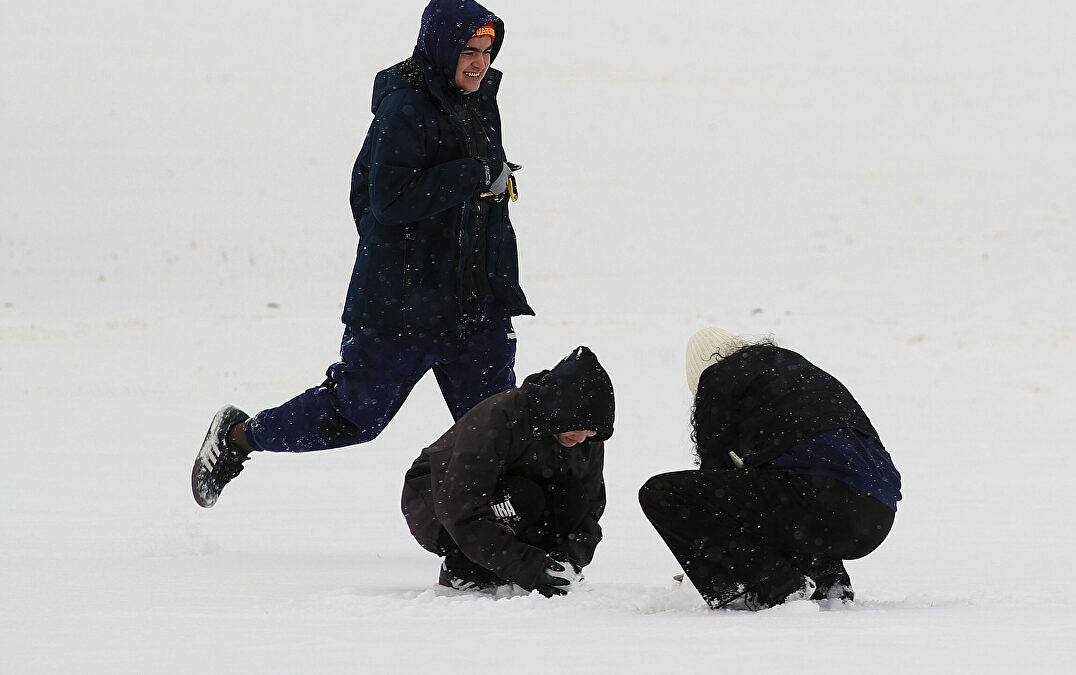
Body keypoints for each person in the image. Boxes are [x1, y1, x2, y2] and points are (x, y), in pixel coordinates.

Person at [192, 0, 533, 508]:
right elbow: (384, 199)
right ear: (443, 48)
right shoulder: (405, 107)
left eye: (487, 51)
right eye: (469, 51)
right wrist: (469, 181)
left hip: (476, 304)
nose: (479, 63)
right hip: (406, 307)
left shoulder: (480, 100)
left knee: (497, 434)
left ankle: (494, 537)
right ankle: (238, 437)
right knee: (353, 417)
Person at [639, 327, 902, 610]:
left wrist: (715, 562)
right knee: (783, 485)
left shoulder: (719, 377)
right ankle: (829, 584)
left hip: (821, 500)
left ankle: (778, 585)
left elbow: (717, 477)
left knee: (663, 494)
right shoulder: (793, 370)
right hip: (876, 513)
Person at [401, 346, 614, 596]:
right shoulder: (499, 417)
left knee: (570, 498)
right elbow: (461, 506)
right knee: (522, 497)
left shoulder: (584, 439)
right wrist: (527, 567)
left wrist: (568, 561)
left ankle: (533, 564)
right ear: (558, 412)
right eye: (576, 428)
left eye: (591, 432)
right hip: (439, 507)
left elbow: (590, 507)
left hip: (507, 502)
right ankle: (464, 568)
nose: (580, 438)